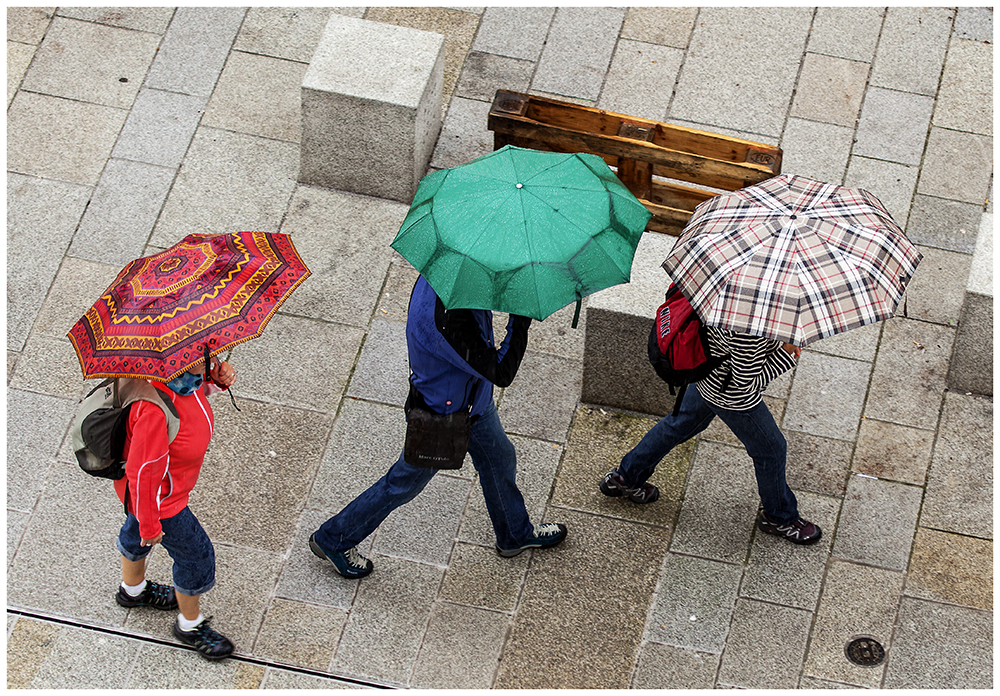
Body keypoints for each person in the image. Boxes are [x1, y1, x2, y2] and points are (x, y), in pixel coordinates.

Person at [309, 275, 568, 578]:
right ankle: (334, 539)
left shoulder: (447, 281)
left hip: (473, 403)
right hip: (443, 419)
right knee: (403, 484)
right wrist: (520, 318)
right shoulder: (447, 323)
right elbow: (501, 371)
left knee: (499, 458)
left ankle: (514, 533)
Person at [600, 326, 822, 545]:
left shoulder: (731, 298)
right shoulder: (750, 329)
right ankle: (780, 517)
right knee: (771, 450)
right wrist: (786, 352)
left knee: (676, 426)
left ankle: (625, 477)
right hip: (731, 396)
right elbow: (744, 384)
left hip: (707, 375)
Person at [114, 356, 238, 660]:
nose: (212, 355)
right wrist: (151, 523)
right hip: (162, 502)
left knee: (134, 535)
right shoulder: (155, 410)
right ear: (180, 362)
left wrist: (214, 378)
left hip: (150, 498)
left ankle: (132, 592)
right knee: (196, 556)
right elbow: (143, 473)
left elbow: (193, 401)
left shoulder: (179, 380)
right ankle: (190, 624)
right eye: (203, 356)